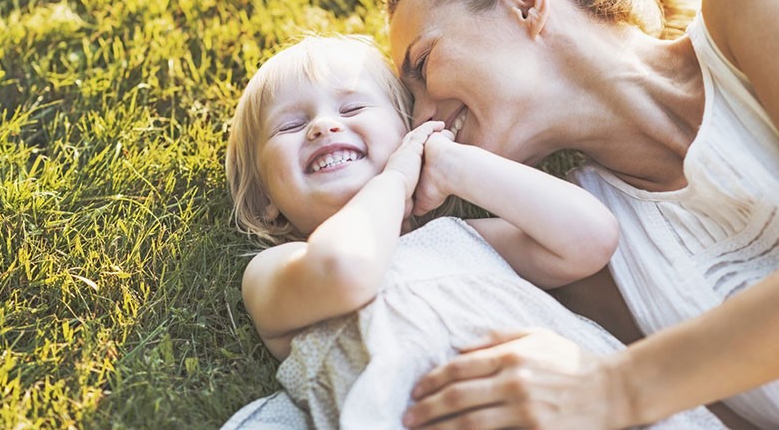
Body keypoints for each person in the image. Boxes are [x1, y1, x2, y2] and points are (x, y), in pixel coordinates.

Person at [386, 0, 779, 430]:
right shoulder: (585, 256)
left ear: (526, 0)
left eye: (423, 64)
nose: (420, 117)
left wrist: (618, 387)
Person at [219, 35, 723, 429]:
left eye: (351, 109)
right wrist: (395, 179)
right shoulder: (278, 270)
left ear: (406, 133)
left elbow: (591, 237)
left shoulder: (462, 238)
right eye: (289, 126)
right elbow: (347, 269)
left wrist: (454, 165)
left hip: (567, 403)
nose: (323, 128)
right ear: (269, 205)